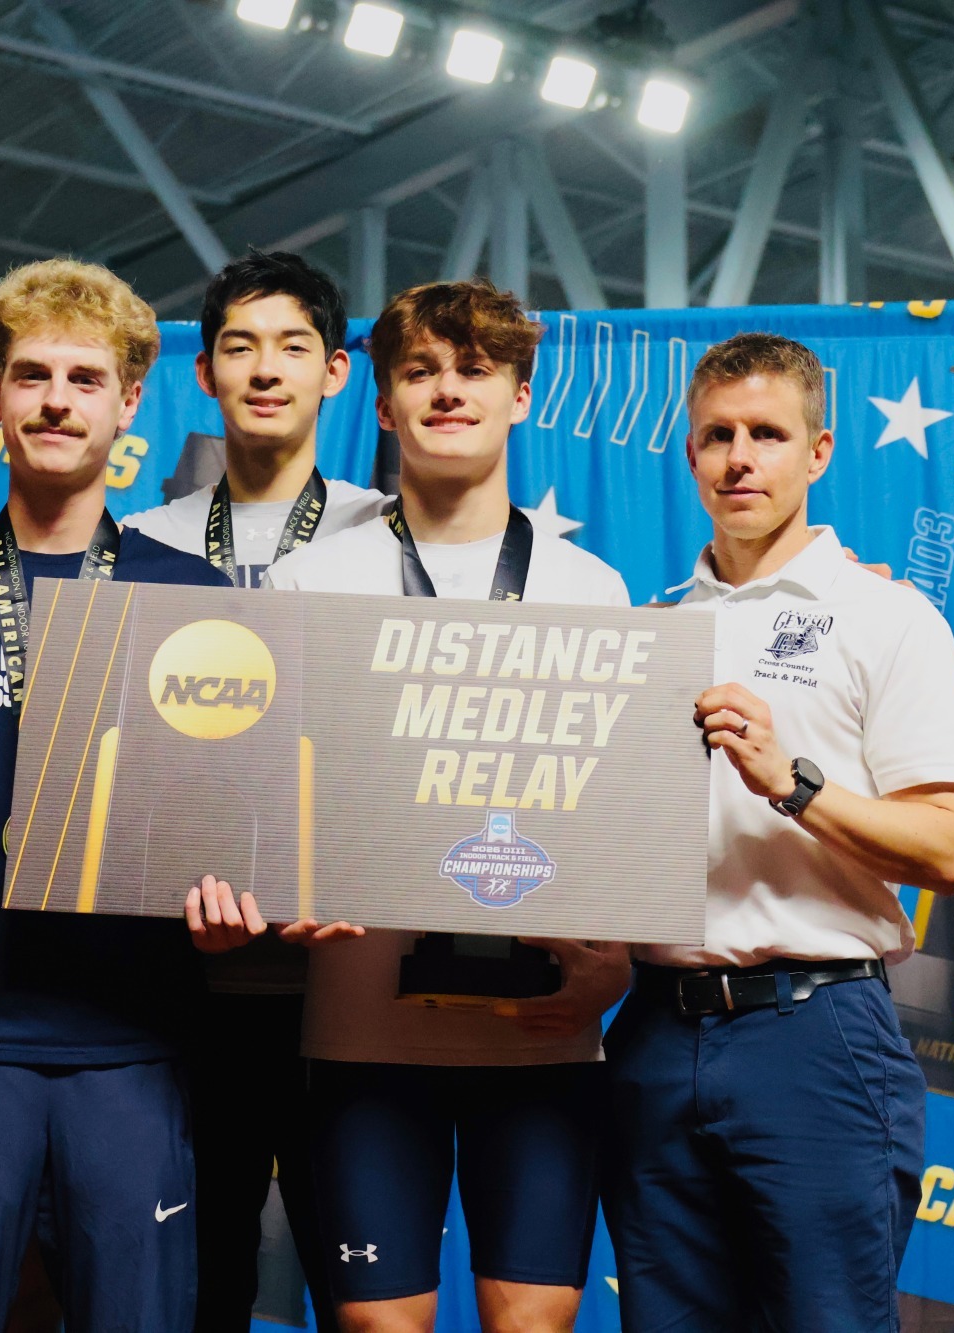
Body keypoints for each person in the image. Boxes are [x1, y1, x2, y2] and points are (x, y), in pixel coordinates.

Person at [192, 279, 633, 1333]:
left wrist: (612, 962)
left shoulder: (592, 589)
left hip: (540, 1035)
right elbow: (263, 798)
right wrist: (264, 896)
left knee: (530, 1322)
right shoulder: (308, 582)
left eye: (473, 370)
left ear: (519, 395)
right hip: (360, 1033)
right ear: (382, 404)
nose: (447, 391)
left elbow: (618, 821)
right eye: (419, 372)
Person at [0, 259, 230, 1333]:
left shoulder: (194, 600)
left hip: (131, 1044)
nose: (56, 400)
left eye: (83, 378)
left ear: (127, 405)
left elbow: (216, 819)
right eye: (30, 376)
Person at [602, 332, 954, 1331]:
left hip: (809, 1026)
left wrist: (792, 783)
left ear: (817, 451)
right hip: (650, 1025)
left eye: (766, 434)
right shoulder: (643, 628)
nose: (738, 458)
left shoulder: (887, 618)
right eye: (716, 435)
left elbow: (946, 847)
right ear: (687, 455)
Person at [125, 249, 383, 1329]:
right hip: (186, 1000)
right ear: (203, 374)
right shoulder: (138, 548)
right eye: (238, 347)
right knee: (195, 1294)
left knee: (367, 1297)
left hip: (355, 1001)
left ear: (335, 373)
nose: (264, 370)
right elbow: (123, 769)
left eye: (291, 347)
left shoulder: (393, 538)